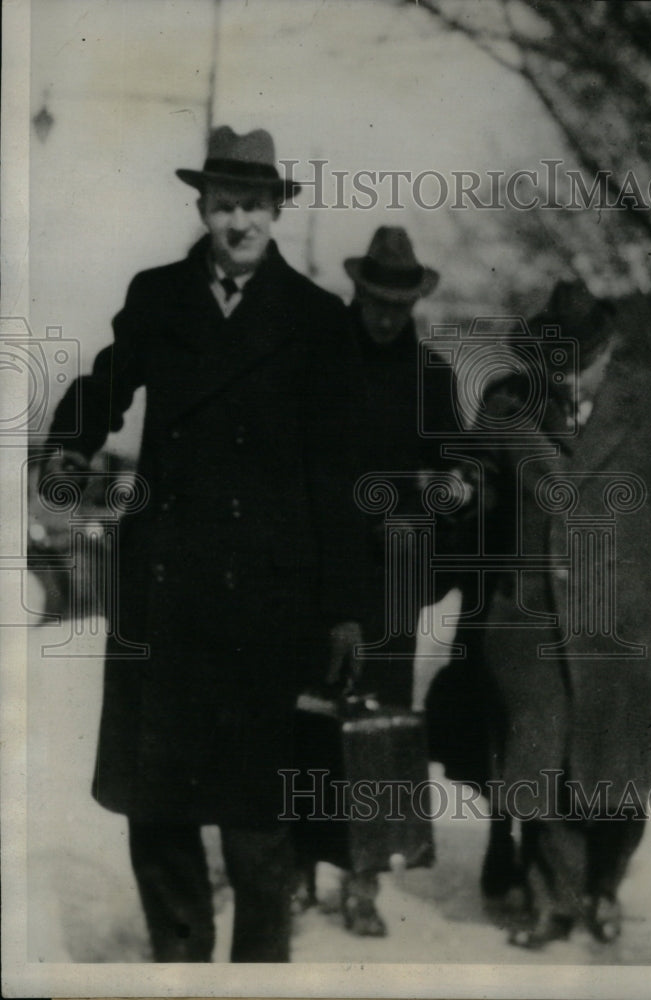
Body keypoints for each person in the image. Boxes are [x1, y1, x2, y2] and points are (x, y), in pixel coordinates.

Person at [41, 126, 366, 963]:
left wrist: (340, 609)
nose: (238, 222)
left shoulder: (317, 320)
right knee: (159, 809)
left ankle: (259, 976)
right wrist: (73, 440)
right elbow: (109, 379)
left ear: (276, 211)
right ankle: (178, 971)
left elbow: (336, 476)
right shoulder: (158, 294)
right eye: (224, 204)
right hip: (166, 588)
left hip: (269, 601)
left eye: (253, 205)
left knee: (259, 821)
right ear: (202, 207)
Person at [459, 279, 651, 948]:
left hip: (630, 615)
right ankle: (555, 898)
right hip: (535, 615)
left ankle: (604, 883)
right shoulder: (506, 407)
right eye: (559, 366)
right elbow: (474, 482)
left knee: (623, 768)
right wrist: (459, 490)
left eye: (584, 364)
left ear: (608, 352)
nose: (570, 379)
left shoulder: (649, 402)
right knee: (545, 760)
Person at [292, 226, 459, 936]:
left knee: (380, 726)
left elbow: (456, 468)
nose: (386, 315)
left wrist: (442, 496)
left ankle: (362, 880)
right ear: (355, 294)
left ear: (414, 301)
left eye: (400, 303)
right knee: (308, 717)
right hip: (317, 568)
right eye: (375, 300)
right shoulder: (317, 365)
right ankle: (298, 867)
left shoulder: (432, 379)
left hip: (392, 576)